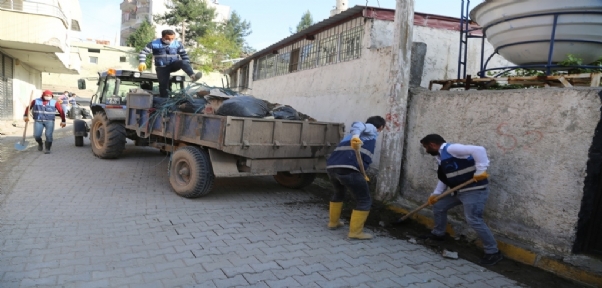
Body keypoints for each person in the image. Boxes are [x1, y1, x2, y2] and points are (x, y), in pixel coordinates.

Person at [418, 134, 502, 266]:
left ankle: (493, 252)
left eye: (426, 147)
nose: (426, 150)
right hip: (459, 191)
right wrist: (436, 194)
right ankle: (438, 234)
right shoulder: (441, 157)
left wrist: (480, 171)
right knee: (439, 206)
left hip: (474, 190)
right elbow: (444, 178)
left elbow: (479, 149)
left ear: (432, 144)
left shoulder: (452, 149)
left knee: (473, 219)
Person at [325, 116, 386, 240]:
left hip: (332, 167)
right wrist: (355, 138)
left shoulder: (348, 136)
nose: (380, 131)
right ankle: (355, 232)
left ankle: (333, 223)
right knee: (364, 200)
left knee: (339, 194)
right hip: (348, 169)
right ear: (380, 127)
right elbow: (358, 124)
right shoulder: (370, 129)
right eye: (381, 129)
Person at [138, 29, 198, 98]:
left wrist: (187, 65)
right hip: (162, 68)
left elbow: (184, 55)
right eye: (168, 39)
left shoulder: (177, 44)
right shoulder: (154, 44)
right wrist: (142, 62)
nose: (170, 40)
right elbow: (143, 53)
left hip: (173, 64)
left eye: (172, 38)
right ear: (163, 37)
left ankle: (193, 76)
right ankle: (164, 101)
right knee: (163, 86)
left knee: (183, 62)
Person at [23, 90, 66, 154]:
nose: (48, 97)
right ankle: (40, 143)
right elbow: (28, 108)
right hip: (38, 121)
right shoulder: (36, 101)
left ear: (52, 96)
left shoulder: (54, 102)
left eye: (50, 96)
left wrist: (63, 121)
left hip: (50, 121)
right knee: (36, 135)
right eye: (47, 96)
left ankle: (47, 148)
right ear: (43, 95)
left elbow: (61, 111)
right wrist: (25, 116)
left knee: (49, 135)